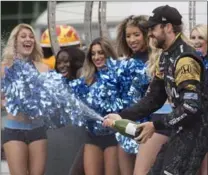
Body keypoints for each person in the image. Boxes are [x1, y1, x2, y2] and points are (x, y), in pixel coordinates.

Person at [104, 5, 208, 175]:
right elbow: (153, 98)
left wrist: (154, 125)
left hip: (195, 135)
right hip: (180, 131)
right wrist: (121, 116)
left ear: (167, 28)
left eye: (153, 28)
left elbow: (191, 108)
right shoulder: (166, 56)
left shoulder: (184, 59)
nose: (150, 33)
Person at [115, 15, 170, 175]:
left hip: (152, 125)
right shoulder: (123, 63)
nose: (132, 39)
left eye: (136, 34)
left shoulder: (158, 59)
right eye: (128, 35)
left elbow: (157, 97)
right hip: (127, 121)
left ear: (147, 34)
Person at [1, 23, 49, 175]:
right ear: (15, 41)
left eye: (31, 37)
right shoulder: (4, 68)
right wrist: (6, 103)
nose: (28, 39)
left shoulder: (43, 68)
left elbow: (50, 98)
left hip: (38, 130)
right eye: (23, 36)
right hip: (14, 129)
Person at [70, 37, 120, 175]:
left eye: (101, 53)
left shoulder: (119, 75)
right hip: (92, 136)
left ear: (108, 53)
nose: (97, 57)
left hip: (114, 136)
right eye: (93, 54)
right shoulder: (86, 77)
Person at [54, 47, 86, 175]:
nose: (62, 66)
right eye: (59, 62)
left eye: (66, 61)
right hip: (69, 142)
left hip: (93, 138)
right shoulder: (58, 83)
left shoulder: (83, 78)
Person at [190, 24, 208, 175]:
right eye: (193, 37)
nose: (196, 41)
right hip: (192, 124)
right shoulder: (188, 64)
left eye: (200, 37)